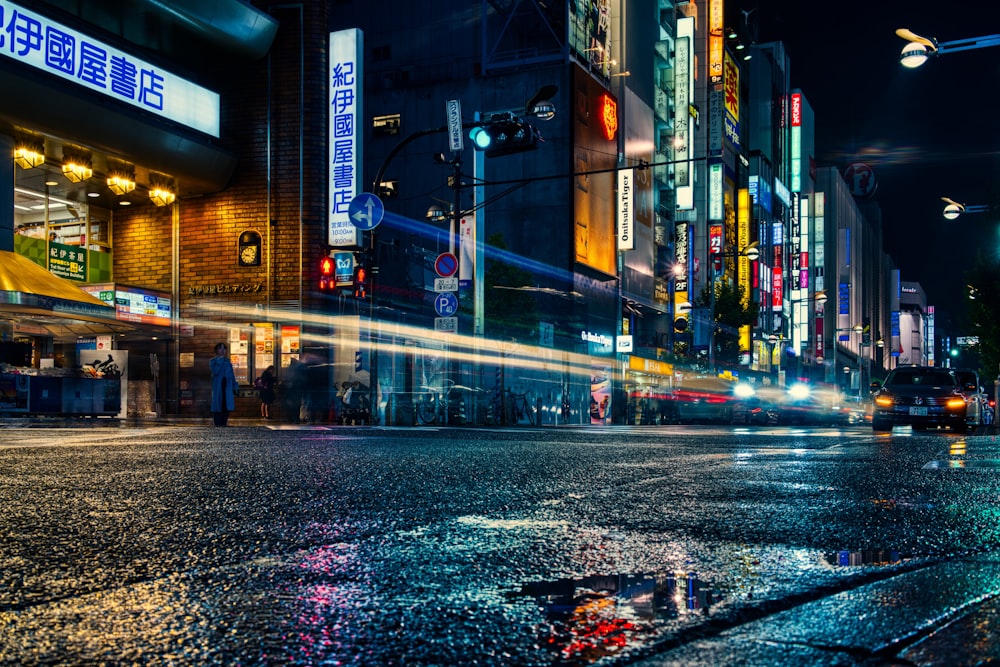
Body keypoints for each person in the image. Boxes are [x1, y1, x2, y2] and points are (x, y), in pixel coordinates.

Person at [209, 342, 238, 426]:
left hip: (227, 386)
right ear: (216, 350)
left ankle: (224, 423)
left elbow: (232, 375)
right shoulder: (213, 361)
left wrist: (235, 385)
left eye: (224, 348)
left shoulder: (228, 362)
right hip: (218, 386)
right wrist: (220, 360)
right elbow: (215, 371)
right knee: (218, 404)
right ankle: (218, 424)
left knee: (226, 404)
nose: (222, 350)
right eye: (220, 348)